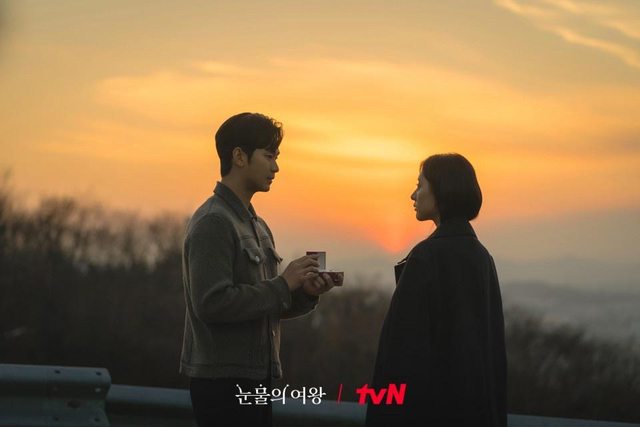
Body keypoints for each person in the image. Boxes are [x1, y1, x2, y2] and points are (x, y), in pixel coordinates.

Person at [180, 112, 341, 427]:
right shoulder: (214, 221)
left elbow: (262, 305)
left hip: (257, 378)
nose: (276, 167)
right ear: (239, 157)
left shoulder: (258, 226)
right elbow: (211, 303)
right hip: (222, 383)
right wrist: (283, 284)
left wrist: (305, 293)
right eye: (269, 156)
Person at [365, 153, 507, 427]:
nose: (413, 195)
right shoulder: (481, 257)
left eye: (420, 185)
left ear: (441, 191)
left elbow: (401, 354)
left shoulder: (427, 257)